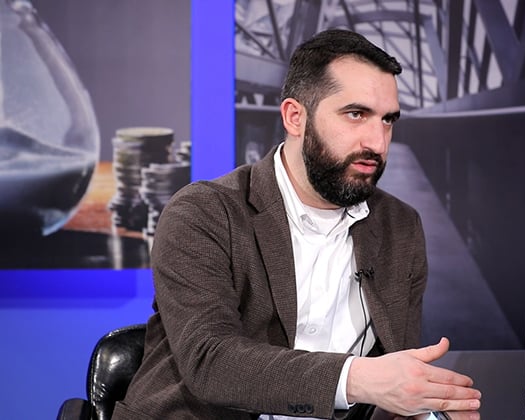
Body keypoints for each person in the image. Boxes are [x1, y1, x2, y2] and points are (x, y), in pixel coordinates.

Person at [113, 29, 481, 420]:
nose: (377, 142)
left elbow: (393, 379)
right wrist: (357, 379)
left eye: (388, 120)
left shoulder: (400, 226)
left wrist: (427, 409)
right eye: (356, 114)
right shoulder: (203, 213)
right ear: (295, 117)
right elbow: (211, 360)